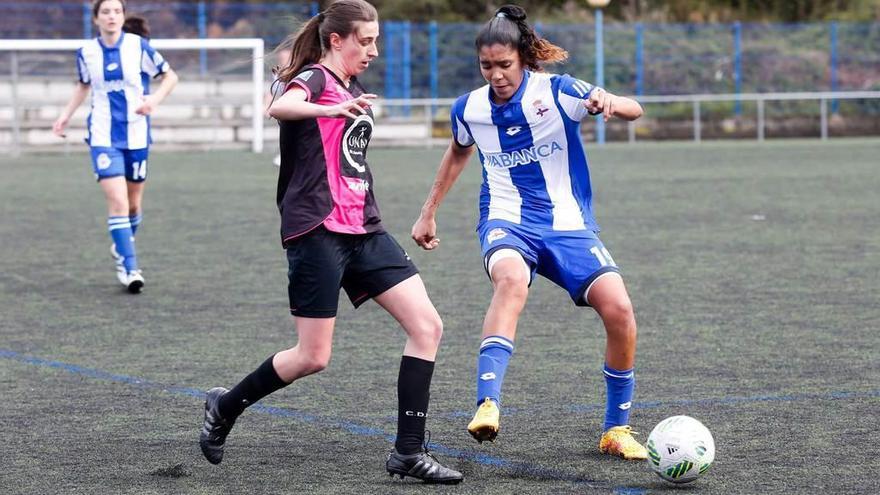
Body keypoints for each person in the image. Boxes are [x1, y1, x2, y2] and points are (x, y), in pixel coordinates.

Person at [198, 0, 463, 484]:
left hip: (364, 228)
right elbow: (278, 105)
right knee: (313, 357)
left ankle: (407, 452)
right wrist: (331, 105)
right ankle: (226, 404)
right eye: (365, 40)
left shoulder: (351, 87)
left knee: (427, 326)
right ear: (336, 39)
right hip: (317, 231)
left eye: (376, 40)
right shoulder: (319, 81)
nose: (374, 50)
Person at [411, 4, 648, 460]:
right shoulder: (470, 108)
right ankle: (487, 404)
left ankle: (616, 429)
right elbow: (458, 151)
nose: (496, 75)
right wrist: (428, 211)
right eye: (487, 66)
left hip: (568, 225)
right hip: (506, 220)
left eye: (504, 65)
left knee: (619, 309)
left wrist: (610, 103)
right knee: (511, 281)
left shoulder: (558, 92)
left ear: (523, 58)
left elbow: (634, 109)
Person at [53, 0, 178, 293]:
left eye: (117, 11)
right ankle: (129, 267)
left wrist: (154, 101)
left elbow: (170, 76)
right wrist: (65, 115)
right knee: (119, 203)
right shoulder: (87, 52)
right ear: (96, 18)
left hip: (136, 135)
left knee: (134, 205)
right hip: (102, 137)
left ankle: (121, 243)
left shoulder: (138, 47)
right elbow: (84, 86)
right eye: (106, 12)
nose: (112, 16)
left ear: (123, 17)